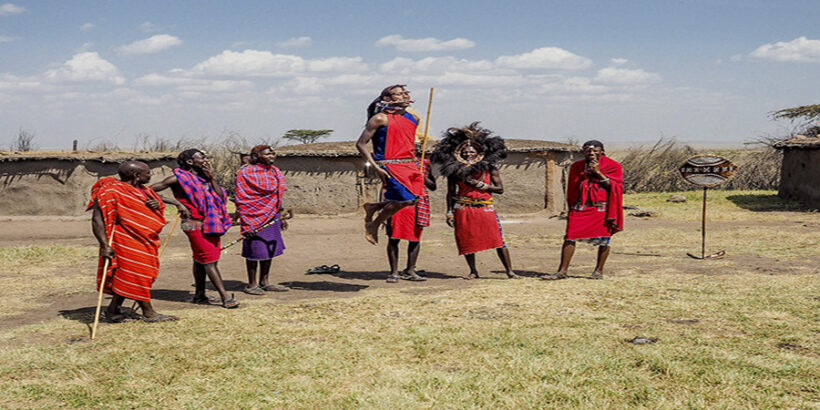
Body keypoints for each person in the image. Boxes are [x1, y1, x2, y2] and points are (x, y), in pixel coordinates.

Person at [89, 161, 178, 322]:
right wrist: (104, 245)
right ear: (136, 176)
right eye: (148, 173)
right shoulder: (110, 191)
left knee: (128, 275)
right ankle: (149, 312)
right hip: (124, 240)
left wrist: (157, 204)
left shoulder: (145, 190)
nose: (150, 176)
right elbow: (97, 219)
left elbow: (154, 207)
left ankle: (112, 309)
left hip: (145, 240)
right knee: (138, 274)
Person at [151, 149, 239, 308]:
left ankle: (199, 295)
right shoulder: (178, 179)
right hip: (193, 223)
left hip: (211, 223)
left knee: (200, 259)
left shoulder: (203, 179)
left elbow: (220, 198)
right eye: (202, 157)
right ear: (190, 162)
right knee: (209, 261)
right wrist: (177, 203)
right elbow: (149, 190)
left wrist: (212, 180)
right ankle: (225, 297)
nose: (205, 159)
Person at [432, 123, 519, 280]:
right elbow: (450, 193)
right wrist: (449, 212)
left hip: (484, 208)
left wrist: (480, 185)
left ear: (478, 152)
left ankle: (509, 271)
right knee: (467, 241)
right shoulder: (454, 171)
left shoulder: (489, 168)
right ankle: (473, 271)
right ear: (459, 153)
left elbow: (500, 189)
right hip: (463, 208)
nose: (468, 154)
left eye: (471, 151)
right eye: (465, 152)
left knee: (498, 240)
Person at [543, 140, 623, 280]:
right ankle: (562, 271)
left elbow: (615, 187)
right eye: (588, 151)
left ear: (602, 151)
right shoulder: (577, 166)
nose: (591, 153)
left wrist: (598, 173)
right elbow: (573, 187)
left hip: (601, 206)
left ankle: (598, 271)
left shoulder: (613, 166)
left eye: (595, 151)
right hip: (581, 205)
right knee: (570, 236)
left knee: (604, 239)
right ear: (583, 152)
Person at [356, 84, 424, 247]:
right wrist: (375, 167)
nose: (404, 96)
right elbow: (361, 144)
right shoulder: (380, 118)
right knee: (404, 198)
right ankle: (374, 224)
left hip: (410, 164)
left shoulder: (413, 118)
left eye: (404, 93)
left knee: (413, 200)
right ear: (387, 99)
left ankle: (373, 207)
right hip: (389, 164)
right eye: (398, 94)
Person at [234, 145, 290, 294]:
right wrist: (246, 221)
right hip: (252, 216)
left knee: (268, 248)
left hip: (272, 214)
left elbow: (277, 195)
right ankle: (251, 285)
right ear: (255, 156)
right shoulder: (245, 173)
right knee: (254, 249)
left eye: (273, 153)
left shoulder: (275, 171)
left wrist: (281, 216)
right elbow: (241, 198)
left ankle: (265, 282)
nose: (272, 155)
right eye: (267, 154)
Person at [386, 143, 437, 282]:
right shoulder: (395, 165)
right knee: (393, 238)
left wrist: (422, 176)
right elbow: (385, 186)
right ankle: (394, 272)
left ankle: (410, 270)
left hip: (418, 204)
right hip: (399, 203)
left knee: (415, 238)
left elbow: (433, 186)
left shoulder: (425, 164)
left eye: (417, 149)